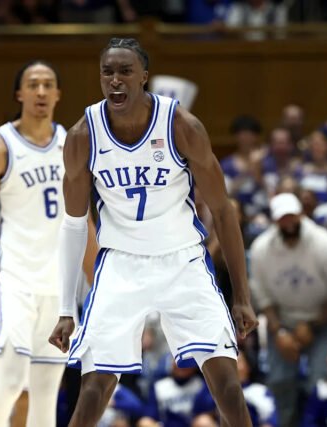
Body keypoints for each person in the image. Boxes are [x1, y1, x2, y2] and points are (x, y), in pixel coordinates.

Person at [49, 38, 258, 427]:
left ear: (144, 76)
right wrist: (65, 309)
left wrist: (242, 297)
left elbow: (223, 211)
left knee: (228, 387)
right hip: (120, 264)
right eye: (107, 72)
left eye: (125, 71)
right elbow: (74, 224)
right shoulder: (82, 136)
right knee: (93, 391)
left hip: (183, 260)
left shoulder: (181, 126)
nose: (115, 80)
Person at [0, 60, 93, 427]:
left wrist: (100, 283)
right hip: (12, 281)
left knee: (46, 393)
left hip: (58, 287)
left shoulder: (72, 145)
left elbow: (85, 222)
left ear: (59, 94)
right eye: (33, 84)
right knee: (11, 380)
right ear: (19, 94)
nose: (41, 92)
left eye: (48, 84)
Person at [249, 192, 327, 427]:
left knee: (320, 384)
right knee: (279, 382)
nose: (288, 223)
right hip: (282, 321)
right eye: (282, 218)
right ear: (274, 220)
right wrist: (279, 332)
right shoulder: (261, 249)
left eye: (292, 216)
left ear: (301, 214)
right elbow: (261, 296)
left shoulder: (325, 244)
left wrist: (312, 325)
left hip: (326, 320)